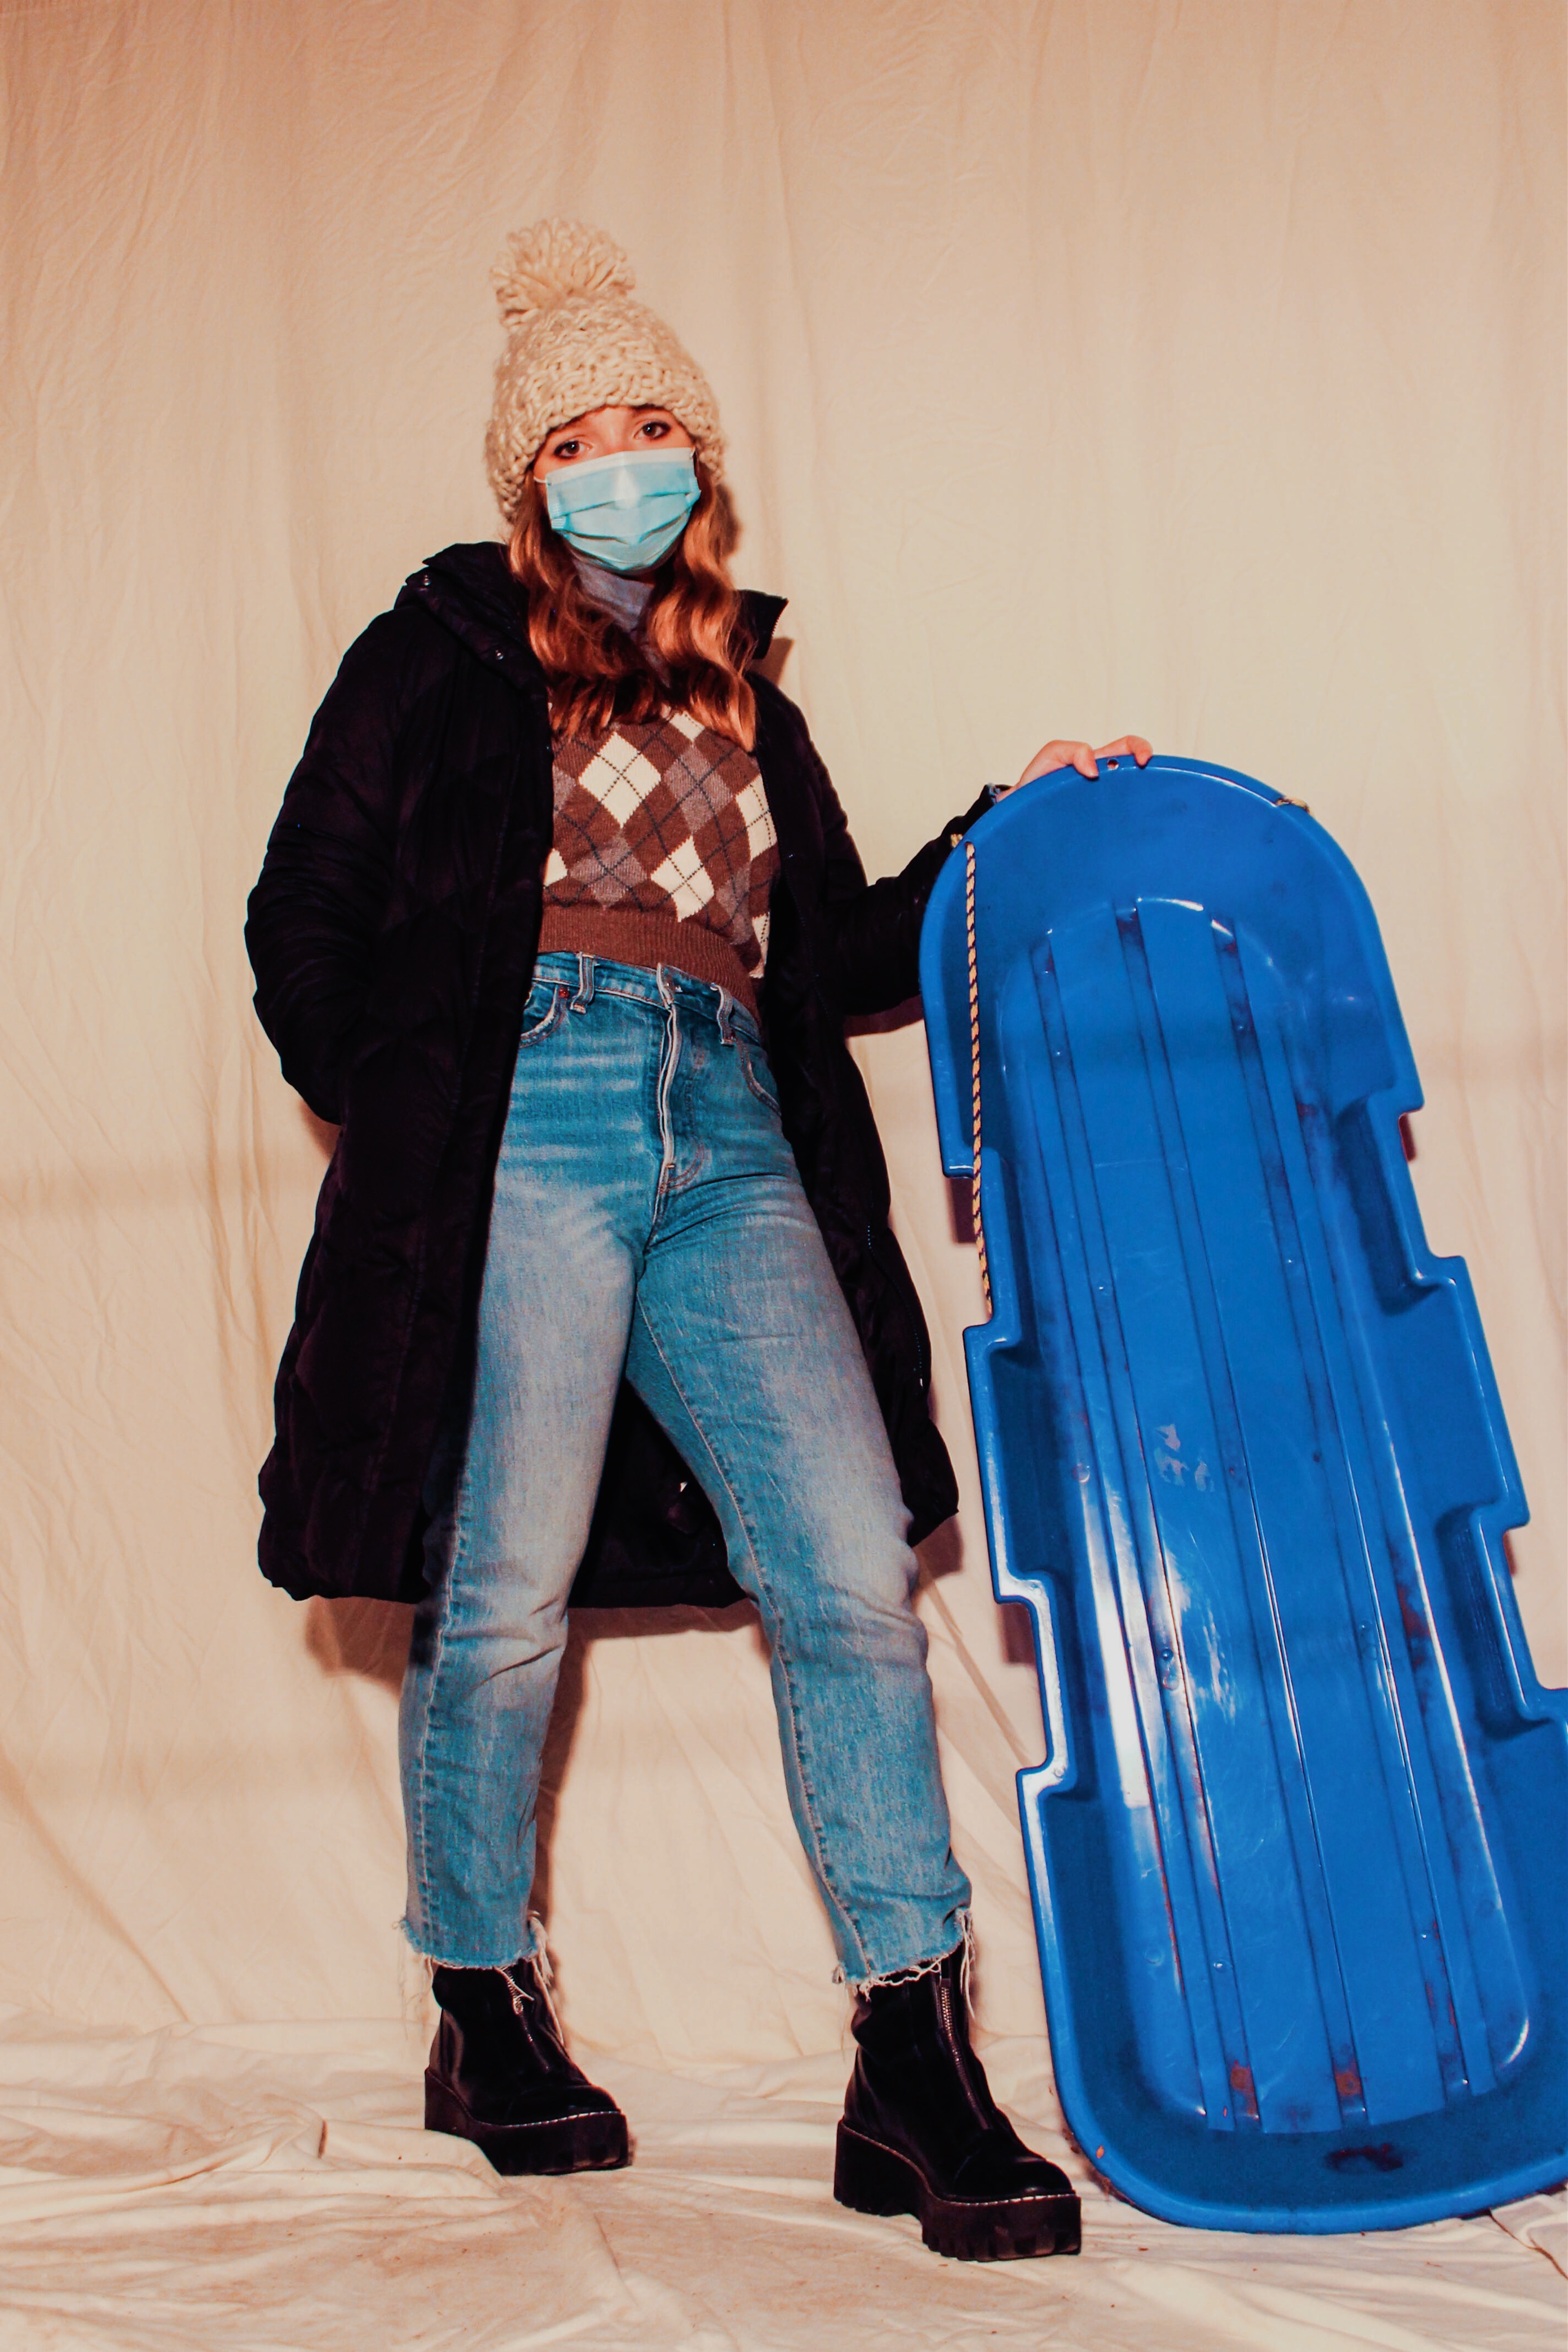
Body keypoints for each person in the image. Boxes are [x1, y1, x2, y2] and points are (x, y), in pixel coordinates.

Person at [247, 218, 1148, 2264]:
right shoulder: (434, 654)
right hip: (533, 1101)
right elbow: (303, 908)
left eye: (648, 425)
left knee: (847, 1569)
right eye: (577, 438)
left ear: (699, 456)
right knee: (501, 1590)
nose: (619, 463)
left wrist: (1009, 828)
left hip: (733, 1116)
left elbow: (836, 949)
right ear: (525, 474)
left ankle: (911, 2058)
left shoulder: (743, 685)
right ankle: (481, 2004)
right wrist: (413, 1099)